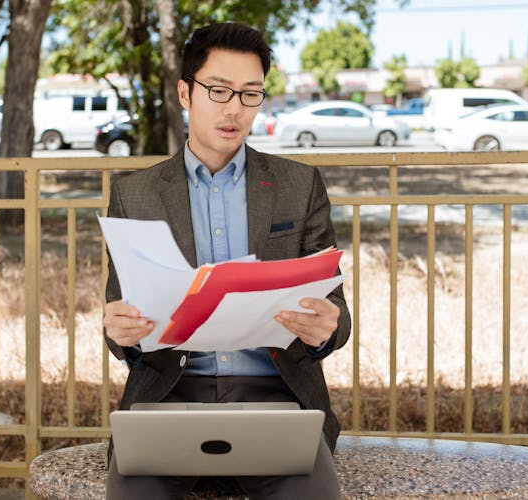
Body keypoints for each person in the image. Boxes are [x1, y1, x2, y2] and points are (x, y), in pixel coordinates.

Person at [102, 21, 350, 499]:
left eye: (250, 93)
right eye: (218, 90)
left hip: (278, 396)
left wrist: (328, 329)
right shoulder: (135, 194)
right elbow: (120, 316)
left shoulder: (298, 186)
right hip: (168, 395)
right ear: (185, 92)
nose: (234, 107)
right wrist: (120, 333)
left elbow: (336, 312)